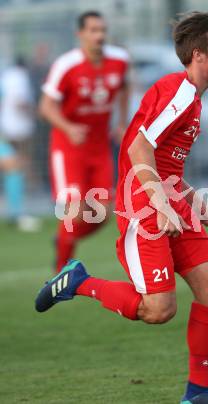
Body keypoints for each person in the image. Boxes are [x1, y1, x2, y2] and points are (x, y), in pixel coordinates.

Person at [35, 11, 208, 404]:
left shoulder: (190, 97)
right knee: (159, 310)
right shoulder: (179, 91)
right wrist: (160, 204)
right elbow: (138, 147)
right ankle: (79, 282)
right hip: (145, 206)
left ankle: (198, 393)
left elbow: (165, 160)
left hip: (168, 200)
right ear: (198, 54)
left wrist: (191, 200)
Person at [39, 11, 130, 272]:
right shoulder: (66, 65)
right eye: (92, 30)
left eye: (102, 30)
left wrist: (122, 122)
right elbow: (45, 106)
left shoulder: (120, 60)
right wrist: (68, 127)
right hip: (69, 148)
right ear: (80, 34)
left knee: (103, 213)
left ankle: (64, 240)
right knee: (76, 210)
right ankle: (60, 273)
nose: (99, 35)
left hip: (99, 148)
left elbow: (124, 86)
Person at [0, 56, 40, 231]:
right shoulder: (15, 79)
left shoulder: (5, 79)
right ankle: (16, 214)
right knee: (15, 165)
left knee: (14, 166)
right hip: (13, 130)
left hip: (7, 132)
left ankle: (16, 214)